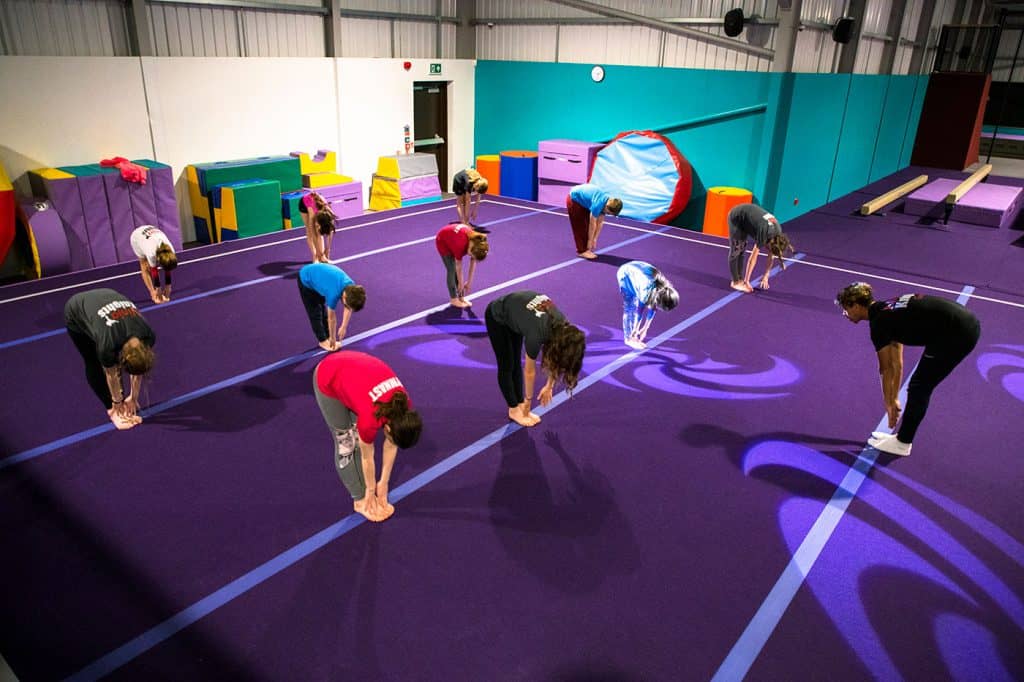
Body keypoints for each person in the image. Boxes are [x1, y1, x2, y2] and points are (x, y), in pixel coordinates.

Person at [836, 282, 981, 457]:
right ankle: (902, 439)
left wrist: (889, 404)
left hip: (956, 333)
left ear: (857, 305)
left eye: (846, 309)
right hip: (958, 326)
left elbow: (885, 368)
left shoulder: (879, 324)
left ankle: (903, 443)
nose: (846, 314)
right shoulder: (886, 310)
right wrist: (894, 398)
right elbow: (897, 361)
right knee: (919, 384)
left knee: (920, 387)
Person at [313, 351, 422, 522]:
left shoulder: (404, 405)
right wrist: (370, 491)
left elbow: (391, 444)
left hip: (355, 376)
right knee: (347, 443)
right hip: (328, 375)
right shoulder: (371, 418)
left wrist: (383, 483)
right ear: (387, 427)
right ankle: (358, 499)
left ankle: (364, 490)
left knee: (359, 434)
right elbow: (367, 457)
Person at [484, 290, 586, 427]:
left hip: (517, 314)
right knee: (507, 364)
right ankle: (513, 410)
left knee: (515, 361)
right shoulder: (537, 335)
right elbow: (529, 372)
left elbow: (559, 358)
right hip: (497, 315)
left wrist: (549, 387)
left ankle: (519, 404)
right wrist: (529, 401)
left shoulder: (564, 327)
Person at [64, 288, 156, 430]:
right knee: (93, 361)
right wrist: (116, 403)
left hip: (107, 294)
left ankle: (117, 405)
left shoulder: (148, 335)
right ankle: (111, 411)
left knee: (108, 349)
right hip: (76, 309)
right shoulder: (109, 345)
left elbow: (139, 368)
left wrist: (133, 397)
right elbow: (111, 374)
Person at [726, 203, 794, 293]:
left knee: (742, 249)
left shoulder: (777, 234)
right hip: (737, 217)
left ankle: (740, 278)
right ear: (772, 242)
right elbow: (752, 259)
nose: (767, 249)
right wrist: (747, 282)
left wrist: (766, 275)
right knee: (736, 249)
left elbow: (771, 256)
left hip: (746, 219)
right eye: (769, 248)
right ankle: (736, 282)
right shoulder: (764, 234)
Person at [297, 263, 366, 352]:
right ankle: (322, 340)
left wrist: (343, 327)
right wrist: (333, 338)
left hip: (320, 279)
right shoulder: (333, 294)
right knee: (315, 312)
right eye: (346, 305)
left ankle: (327, 335)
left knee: (322, 307)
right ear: (344, 297)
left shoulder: (351, 287)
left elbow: (348, 307)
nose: (347, 307)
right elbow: (331, 319)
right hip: (306, 279)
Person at [616, 261, 679, 349]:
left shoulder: (664, 288)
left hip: (637, 270)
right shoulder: (646, 292)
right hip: (625, 274)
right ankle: (628, 339)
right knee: (630, 307)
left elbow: (654, 306)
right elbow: (639, 311)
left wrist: (645, 328)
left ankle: (632, 335)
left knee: (647, 301)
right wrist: (635, 330)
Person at [435, 222, 489, 308]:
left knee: (458, 276)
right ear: (470, 247)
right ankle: (453, 299)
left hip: (453, 236)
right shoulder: (460, 245)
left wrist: (469, 282)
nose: (470, 257)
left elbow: (473, 262)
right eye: (471, 255)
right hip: (442, 240)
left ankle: (461, 298)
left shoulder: (480, 242)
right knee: (451, 269)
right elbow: (458, 267)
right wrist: (460, 283)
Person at [566, 183, 622, 259]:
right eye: (608, 213)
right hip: (574, 199)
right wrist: (590, 241)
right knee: (580, 226)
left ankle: (586, 249)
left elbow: (600, 222)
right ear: (607, 207)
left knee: (586, 226)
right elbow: (592, 224)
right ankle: (582, 251)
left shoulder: (607, 203)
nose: (607, 214)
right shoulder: (598, 204)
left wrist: (594, 239)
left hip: (584, 201)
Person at [130, 224, 177, 304]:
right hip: (137, 237)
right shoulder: (151, 253)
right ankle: (152, 293)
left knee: (155, 265)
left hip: (150, 232)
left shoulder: (171, 250)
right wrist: (157, 289)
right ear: (158, 259)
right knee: (145, 266)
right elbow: (154, 271)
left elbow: (167, 267)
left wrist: (168, 286)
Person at [298, 191, 337, 263]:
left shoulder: (330, 213)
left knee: (319, 232)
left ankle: (323, 257)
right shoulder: (312, 214)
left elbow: (330, 231)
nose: (318, 225)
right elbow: (313, 234)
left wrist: (327, 250)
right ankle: (315, 256)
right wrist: (317, 253)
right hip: (304, 204)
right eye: (318, 224)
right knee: (310, 231)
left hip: (315, 204)